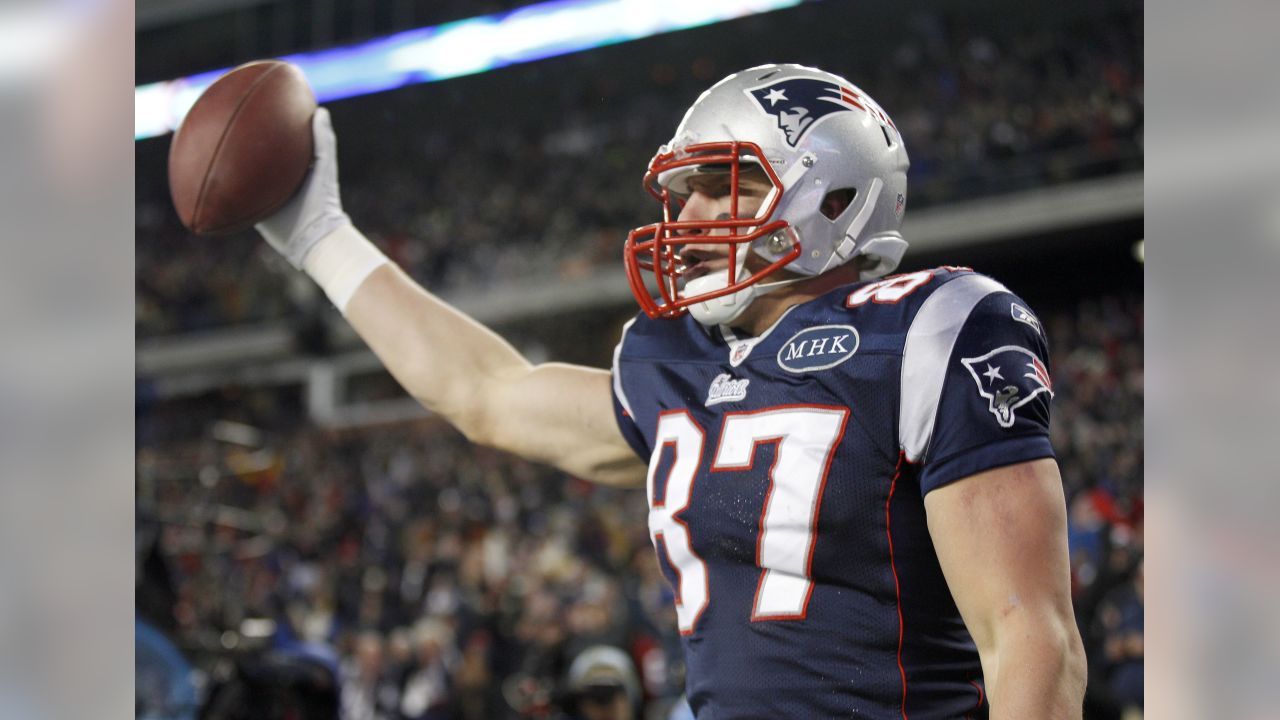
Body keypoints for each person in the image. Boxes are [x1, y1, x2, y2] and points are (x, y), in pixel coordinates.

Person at [252, 63, 1086, 718]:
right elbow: (486, 393)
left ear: (835, 195)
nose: (688, 219)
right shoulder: (675, 361)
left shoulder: (930, 327)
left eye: (724, 184)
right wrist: (324, 240)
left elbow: (1028, 637)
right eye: (683, 192)